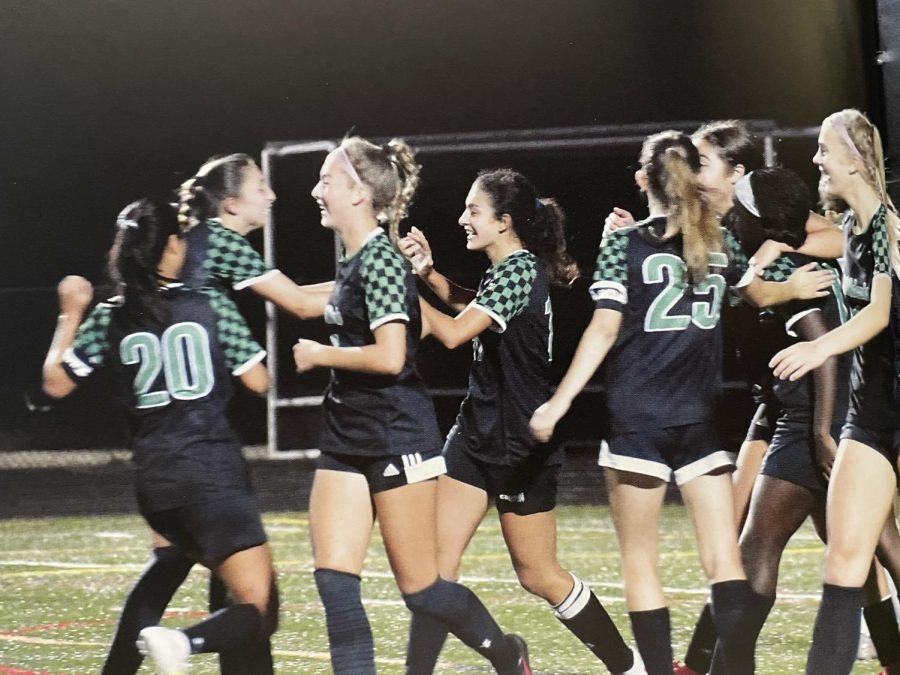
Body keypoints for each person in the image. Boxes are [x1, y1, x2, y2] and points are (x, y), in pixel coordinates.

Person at [528, 130, 832, 675]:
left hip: (637, 420)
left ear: (644, 179)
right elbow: (757, 292)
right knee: (723, 563)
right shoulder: (717, 241)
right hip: (699, 422)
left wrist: (558, 402)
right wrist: (795, 289)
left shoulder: (625, 243)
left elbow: (601, 331)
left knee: (642, 564)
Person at [292, 136, 531, 675]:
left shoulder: (378, 259)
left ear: (358, 193)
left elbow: (391, 355)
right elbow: (301, 297)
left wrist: (320, 353)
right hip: (346, 435)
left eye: (326, 180)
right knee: (334, 583)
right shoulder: (360, 260)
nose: (316, 190)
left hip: (397, 436)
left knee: (422, 590)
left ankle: (505, 654)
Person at [397, 168, 643, 674]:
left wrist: (403, 303)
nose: (462, 218)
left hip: (521, 444)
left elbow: (453, 334)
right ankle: (482, 661)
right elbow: (474, 306)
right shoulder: (504, 270)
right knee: (433, 573)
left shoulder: (520, 270)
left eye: (473, 211)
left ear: (504, 222)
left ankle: (628, 666)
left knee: (539, 574)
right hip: (474, 435)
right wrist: (426, 272)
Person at [100, 152, 331, 675]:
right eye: (260, 187)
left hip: (162, 440)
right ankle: (180, 649)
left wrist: (364, 282)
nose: (271, 196)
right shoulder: (220, 240)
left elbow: (298, 294)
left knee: (182, 573)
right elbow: (297, 304)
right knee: (253, 599)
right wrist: (385, 279)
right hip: (203, 444)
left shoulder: (196, 242)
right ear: (231, 203)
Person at [41, 198, 279, 674]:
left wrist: (70, 313)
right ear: (172, 245)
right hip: (211, 474)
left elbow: (57, 382)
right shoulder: (208, 302)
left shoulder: (112, 314)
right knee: (260, 608)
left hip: (156, 481)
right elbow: (259, 381)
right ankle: (181, 643)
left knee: (172, 566)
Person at [769, 109, 900, 675]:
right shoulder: (847, 229)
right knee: (845, 565)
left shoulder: (889, 229)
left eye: (825, 149)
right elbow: (786, 230)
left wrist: (820, 348)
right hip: (871, 411)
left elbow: (878, 313)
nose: (817, 159)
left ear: (855, 157)